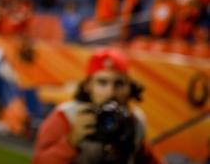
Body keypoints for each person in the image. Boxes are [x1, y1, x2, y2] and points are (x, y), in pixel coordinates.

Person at [33, 48, 161, 164]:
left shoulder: (134, 122)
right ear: (88, 86)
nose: (110, 92)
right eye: (102, 82)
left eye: (119, 83)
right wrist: (71, 141)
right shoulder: (66, 116)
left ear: (130, 88)